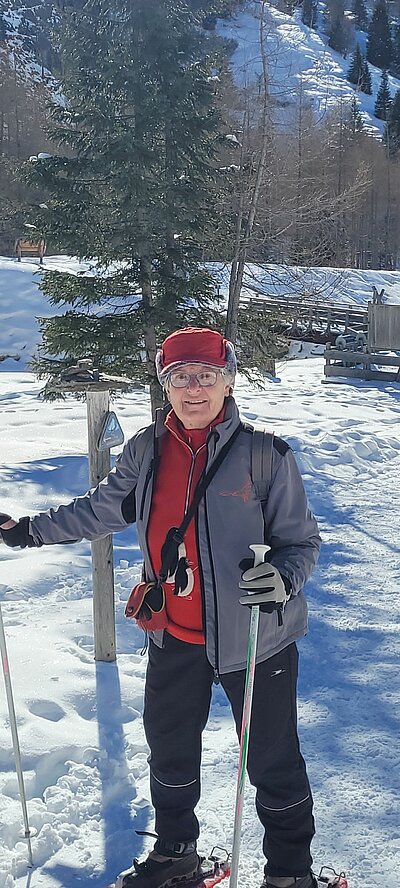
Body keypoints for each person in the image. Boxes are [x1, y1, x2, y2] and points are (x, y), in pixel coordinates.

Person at [0, 327, 321, 888]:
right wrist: (28, 531)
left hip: (255, 639)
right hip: (173, 634)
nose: (193, 388)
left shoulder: (266, 457)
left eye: (206, 376)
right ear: (164, 383)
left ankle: (291, 873)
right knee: (169, 753)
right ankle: (177, 855)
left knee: (272, 761)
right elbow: (99, 510)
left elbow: (302, 543)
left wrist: (283, 578)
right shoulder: (146, 451)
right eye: (179, 377)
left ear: (228, 382)